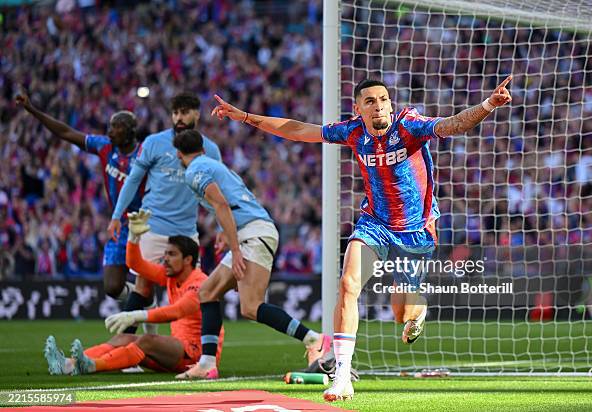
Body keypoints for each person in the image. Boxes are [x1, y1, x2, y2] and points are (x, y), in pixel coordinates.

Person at [210, 76, 513, 400]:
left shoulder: (409, 125)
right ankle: (342, 376)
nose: (378, 105)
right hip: (374, 222)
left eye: (383, 99)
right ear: (358, 109)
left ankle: (419, 308)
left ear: (391, 104)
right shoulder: (353, 132)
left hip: (415, 229)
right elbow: (297, 129)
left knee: (402, 314)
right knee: (348, 284)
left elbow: (452, 125)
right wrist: (244, 116)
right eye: (370, 101)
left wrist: (487, 105)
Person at [171, 130, 330, 380]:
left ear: (179, 154)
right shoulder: (216, 165)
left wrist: (235, 250)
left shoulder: (194, 171)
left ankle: (314, 339)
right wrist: (227, 234)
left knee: (251, 306)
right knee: (207, 292)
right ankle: (207, 364)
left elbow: (222, 204)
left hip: (253, 234)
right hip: (251, 231)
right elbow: (235, 203)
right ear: (202, 148)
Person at [43, 211, 222, 375]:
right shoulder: (171, 275)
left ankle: (93, 365)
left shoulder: (199, 283)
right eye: (165, 253)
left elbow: (176, 312)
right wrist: (134, 237)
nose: (165, 258)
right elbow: (136, 265)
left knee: (146, 340)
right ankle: (69, 364)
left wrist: (135, 315)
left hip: (195, 354)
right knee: (124, 338)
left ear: (188, 260)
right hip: (176, 353)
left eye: (171, 254)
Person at [108, 92, 221, 335]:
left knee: (192, 292)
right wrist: (117, 215)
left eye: (184, 112)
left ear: (196, 114)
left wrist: (222, 228)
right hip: (154, 228)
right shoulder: (154, 143)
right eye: (175, 113)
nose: (179, 118)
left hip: (186, 233)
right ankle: (124, 347)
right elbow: (133, 179)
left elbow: (218, 194)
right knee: (143, 288)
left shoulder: (211, 150)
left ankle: (195, 350)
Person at [15, 91, 142, 301]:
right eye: (110, 126)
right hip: (120, 225)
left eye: (116, 127)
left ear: (130, 132)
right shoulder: (104, 147)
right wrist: (32, 110)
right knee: (112, 287)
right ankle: (145, 301)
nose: (110, 131)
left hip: (144, 225)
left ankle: (146, 311)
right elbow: (66, 132)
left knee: (146, 281)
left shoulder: (144, 154)